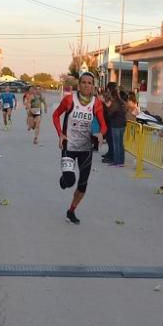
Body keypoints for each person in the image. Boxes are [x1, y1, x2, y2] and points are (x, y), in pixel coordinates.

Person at [52, 72, 106, 224]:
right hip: (68, 145)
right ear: (79, 84)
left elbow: (104, 125)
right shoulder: (69, 100)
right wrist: (60, 134)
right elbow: (55, 115)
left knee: (82, 185)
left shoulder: (96, 103)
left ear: (93, 86)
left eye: (90, 83)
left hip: (85, 149)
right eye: (84, 82)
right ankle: (64, 179)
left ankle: (71, 210)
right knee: (69, 181)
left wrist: (101, 134)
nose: (87, 85)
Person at [104, 83, 127, 167]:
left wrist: (107, 107)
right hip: (122, 124)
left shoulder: (115, 103)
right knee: (120, 144)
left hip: (116, 124)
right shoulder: (121, 102)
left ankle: (117, 161)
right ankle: (120, 161)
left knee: (117, 144)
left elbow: (111, 113)